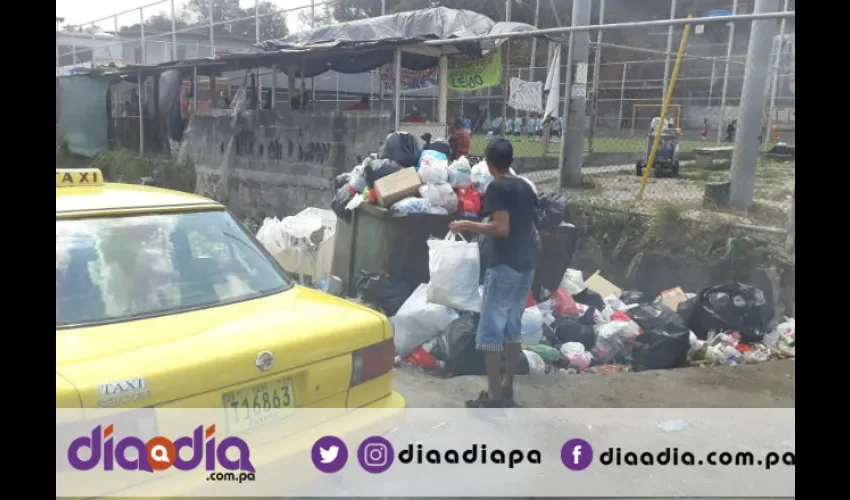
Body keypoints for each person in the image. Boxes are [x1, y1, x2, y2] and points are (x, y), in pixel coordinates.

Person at [448, 139, 540, 408]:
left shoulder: (497, 188)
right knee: (513, 329)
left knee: (490, 333)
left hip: (505, 266)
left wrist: (467, 224)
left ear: (489, 163)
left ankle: (494, 395)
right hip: (526, 266)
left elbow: (502, 228)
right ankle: (508, 386)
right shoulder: (526, 186)